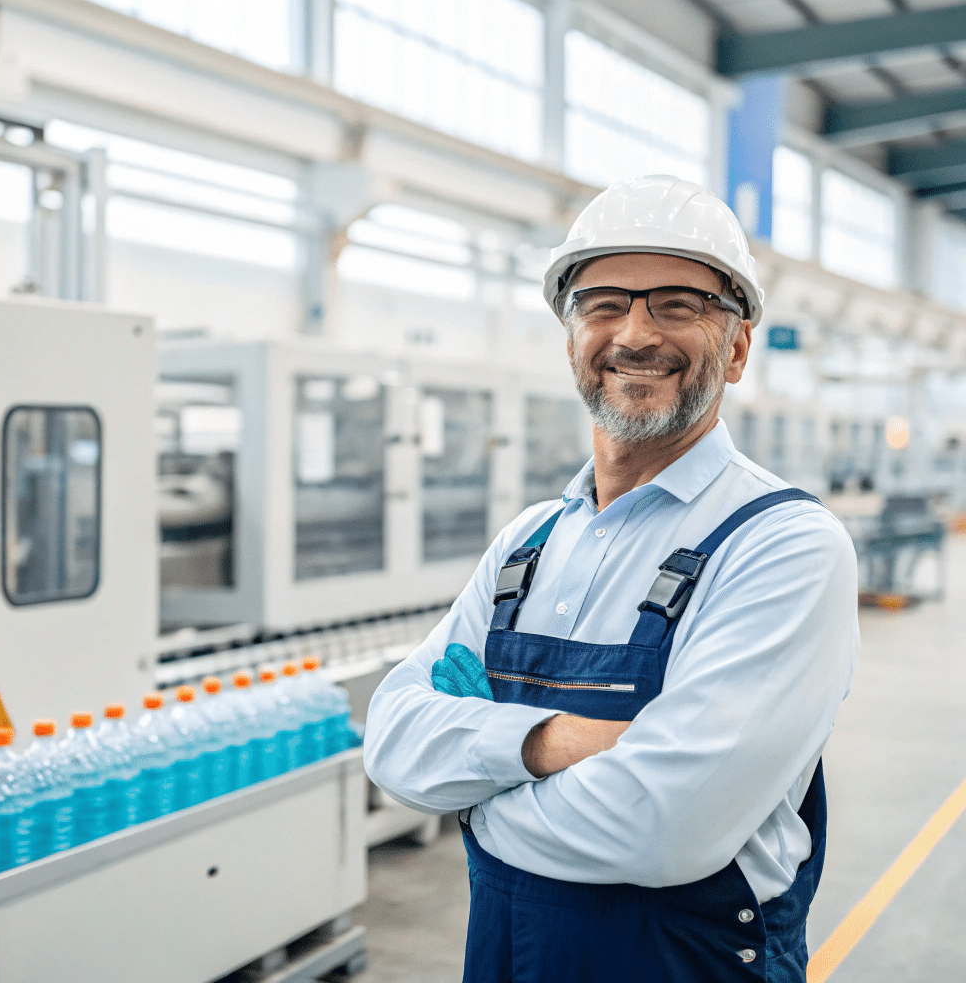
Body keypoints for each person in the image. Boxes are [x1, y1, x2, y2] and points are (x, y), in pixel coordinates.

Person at [363, 175, 859, 983]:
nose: (635, 333)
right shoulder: (527, 543)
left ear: (736, 348)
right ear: (571, 343)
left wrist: (475, 795)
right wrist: (552, 741)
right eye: (602, 305)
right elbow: (392, 740)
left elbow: (661, 826)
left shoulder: (783, 546)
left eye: (678, 305)